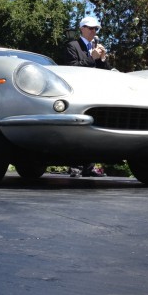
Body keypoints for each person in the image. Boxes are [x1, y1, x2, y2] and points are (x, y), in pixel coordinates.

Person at [64, 16, 110, 177]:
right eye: (90, 28)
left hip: (95, 93)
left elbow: (105, 71)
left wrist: (103, 59)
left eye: (95, 29)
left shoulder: (96, 47)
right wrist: (92, 58)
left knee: (94, 131)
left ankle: (89, 167)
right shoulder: (72, 46)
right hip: (79, 93)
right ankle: (75, 166)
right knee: (78, 130)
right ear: (82, 28)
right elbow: (71, 68)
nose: (93, 31)